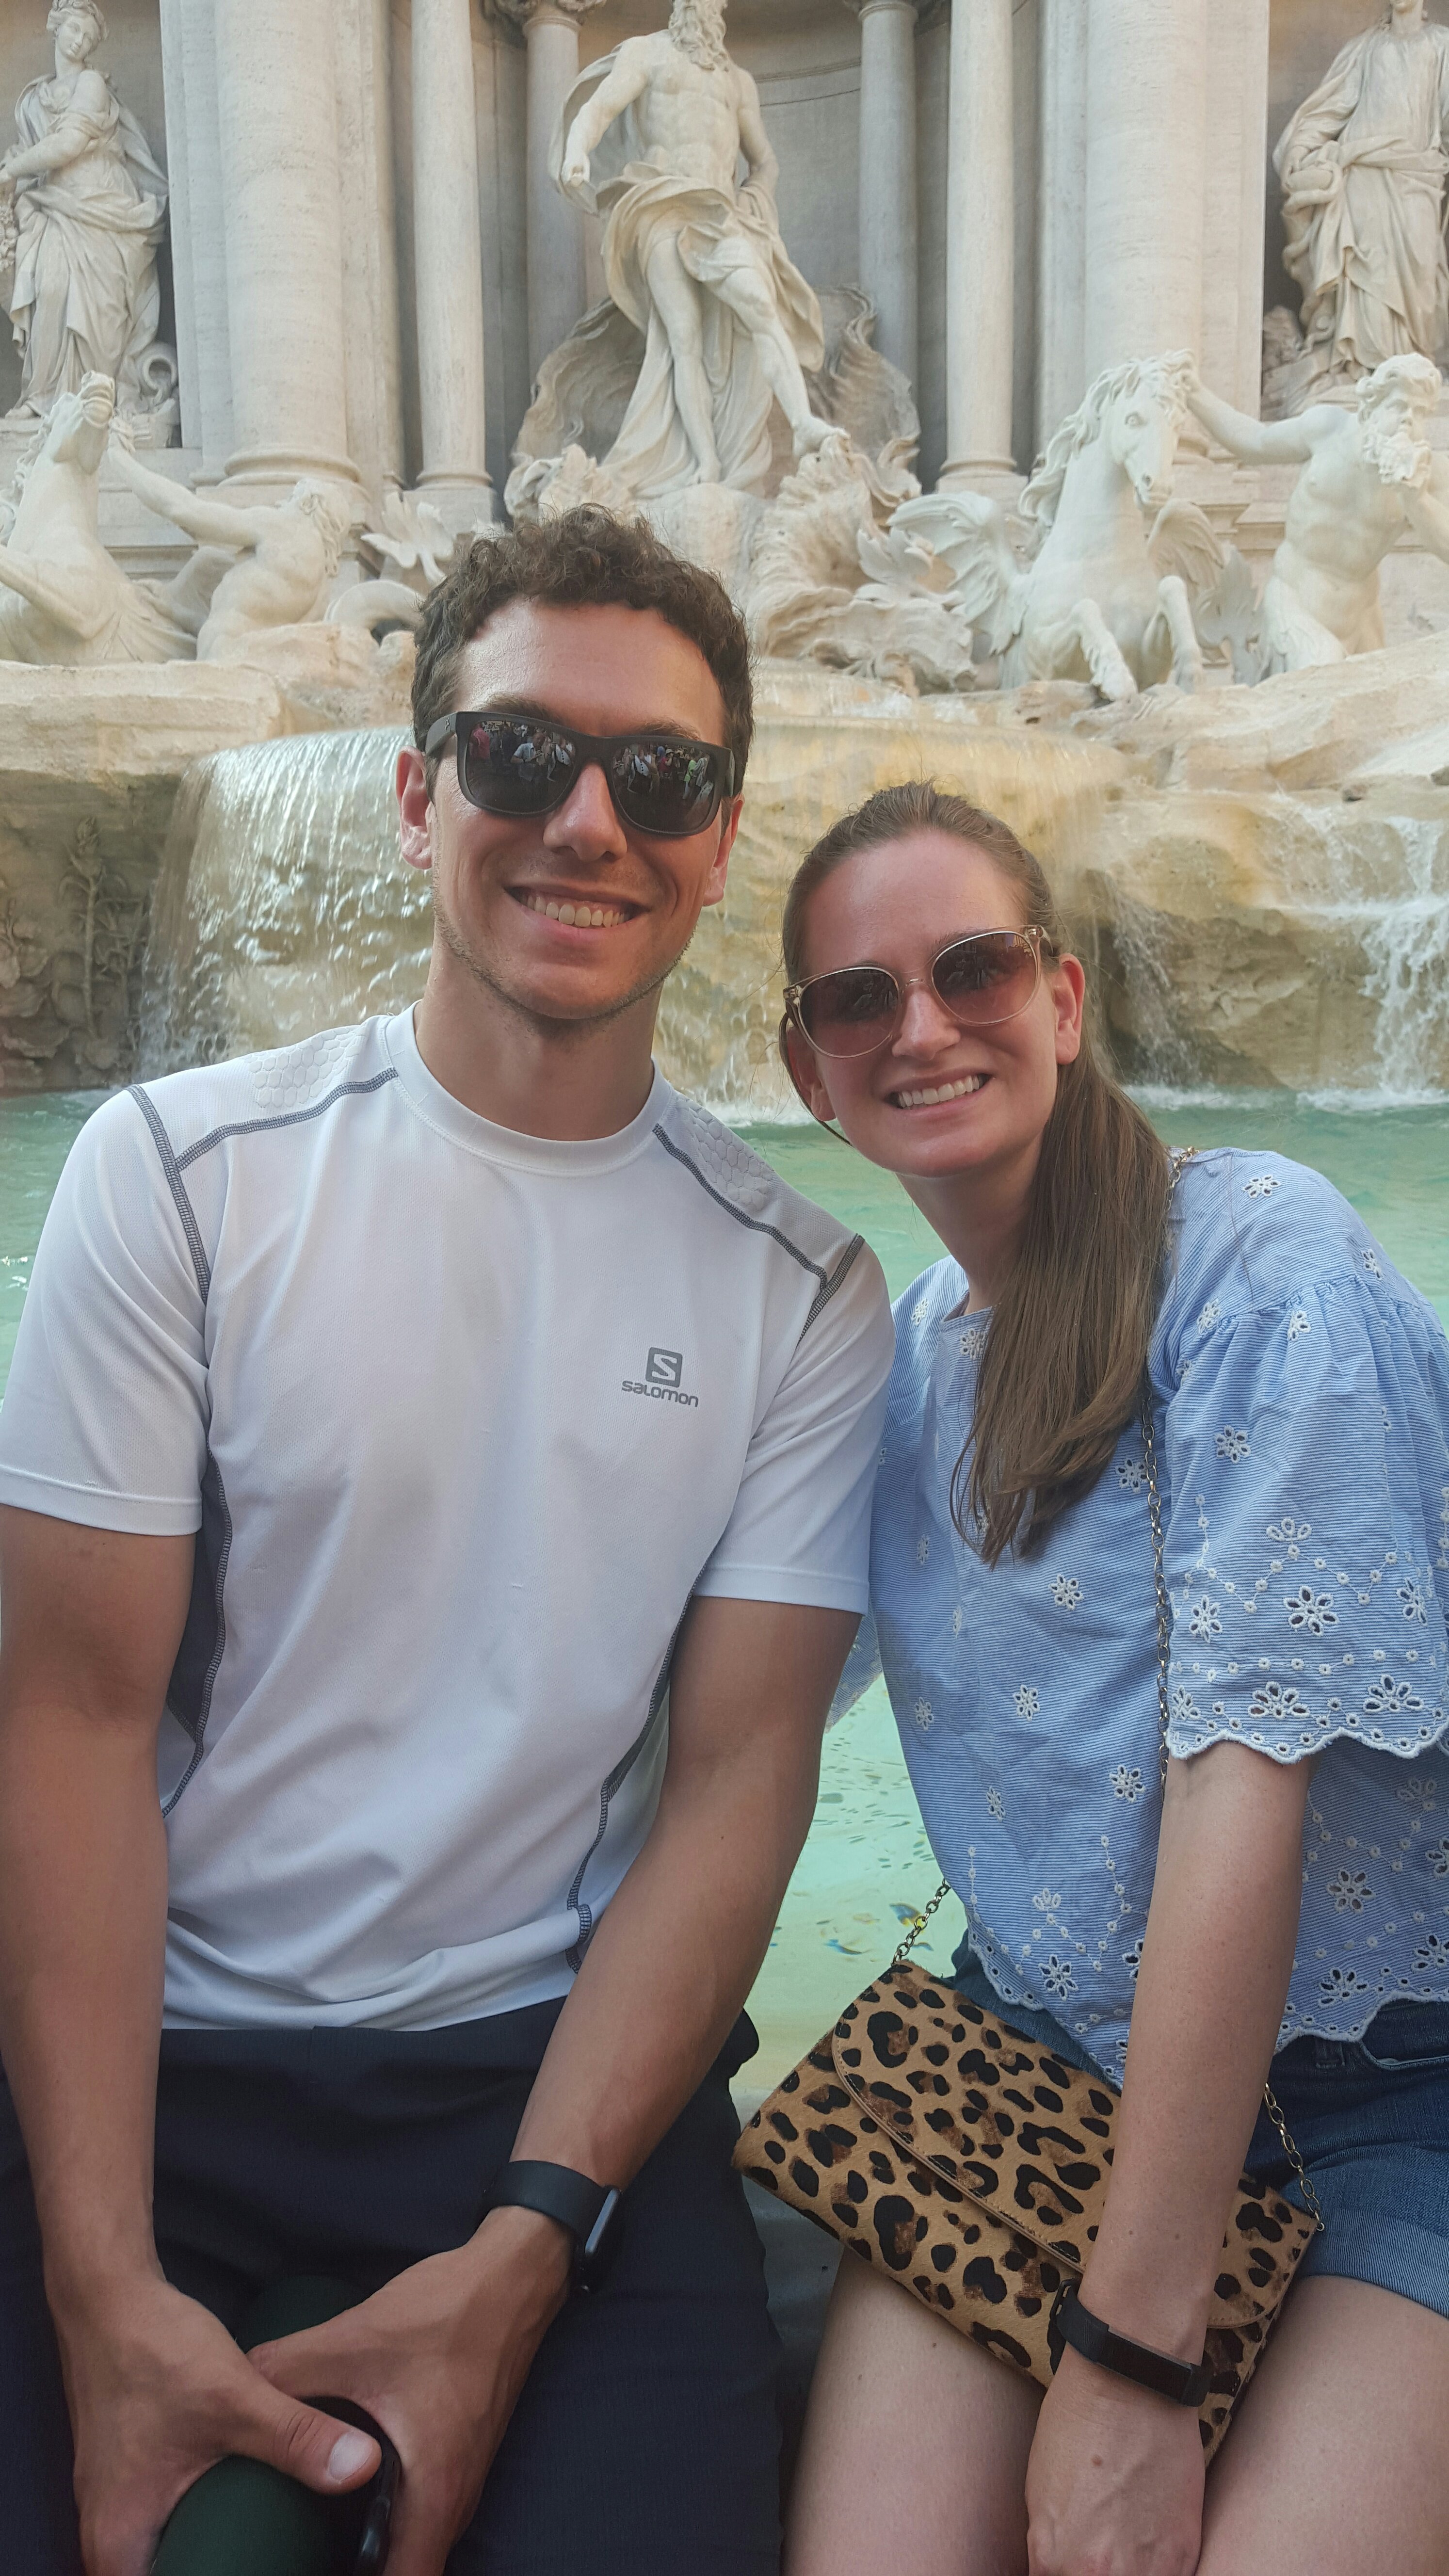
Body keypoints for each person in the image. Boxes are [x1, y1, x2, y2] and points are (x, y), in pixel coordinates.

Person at [0, 507, 893, 2576]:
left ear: (716, 837)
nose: (586, 819)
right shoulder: (175, 1175)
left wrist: (522, 2250)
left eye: (655, 776)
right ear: (418, 797)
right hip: (153, 2067)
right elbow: (68, 1723)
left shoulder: (801, 1288)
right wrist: (101, 2289)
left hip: (546, 2103)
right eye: (520, 754)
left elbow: (736, 1789)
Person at [773, 781, 1449, 2576]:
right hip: (1031, 2067)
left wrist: (1130, 2357)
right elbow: (734, 1716)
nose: (922, 1024)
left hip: (1389, 2090)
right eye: (860, 998)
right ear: (807, 1070)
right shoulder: (897, 1364)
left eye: (972, 967)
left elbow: (1243, 1783)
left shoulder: (1259, 1256)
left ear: (1062, 999)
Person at [1186, 348, 1449, 669]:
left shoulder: (1427, 474)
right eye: (1398, 406)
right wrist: (1195, 394)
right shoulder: (1327, 430)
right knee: (1325, 671)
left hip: (1361, 619)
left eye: (1419, 413)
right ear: (1372, 408)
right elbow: (1254, 441)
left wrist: (1416, 500)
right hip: (1295, 602)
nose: (1408, 419)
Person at [0, 2, 170, 422]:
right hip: (54, 206)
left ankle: (95, 401)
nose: (80, 41)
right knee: (51, 288)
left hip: (102, 205)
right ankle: (44, 397)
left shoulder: (92, 83)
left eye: (89, 38)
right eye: (75, 29)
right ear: (55, 26)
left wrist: (11, 172)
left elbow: (68, 144)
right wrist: (15, 176)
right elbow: (33, 153)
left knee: (98, 307)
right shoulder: (33, 98)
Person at [1274, 0, 1449, 385]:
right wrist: (1300, 149)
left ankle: (1415, 367)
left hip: (1418, 174)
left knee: (1421, 270)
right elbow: (1331, 109)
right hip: (1362, 174)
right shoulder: (1365, 48)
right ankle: (1362, 371)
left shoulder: (1442, 44)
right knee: (1366, 269)